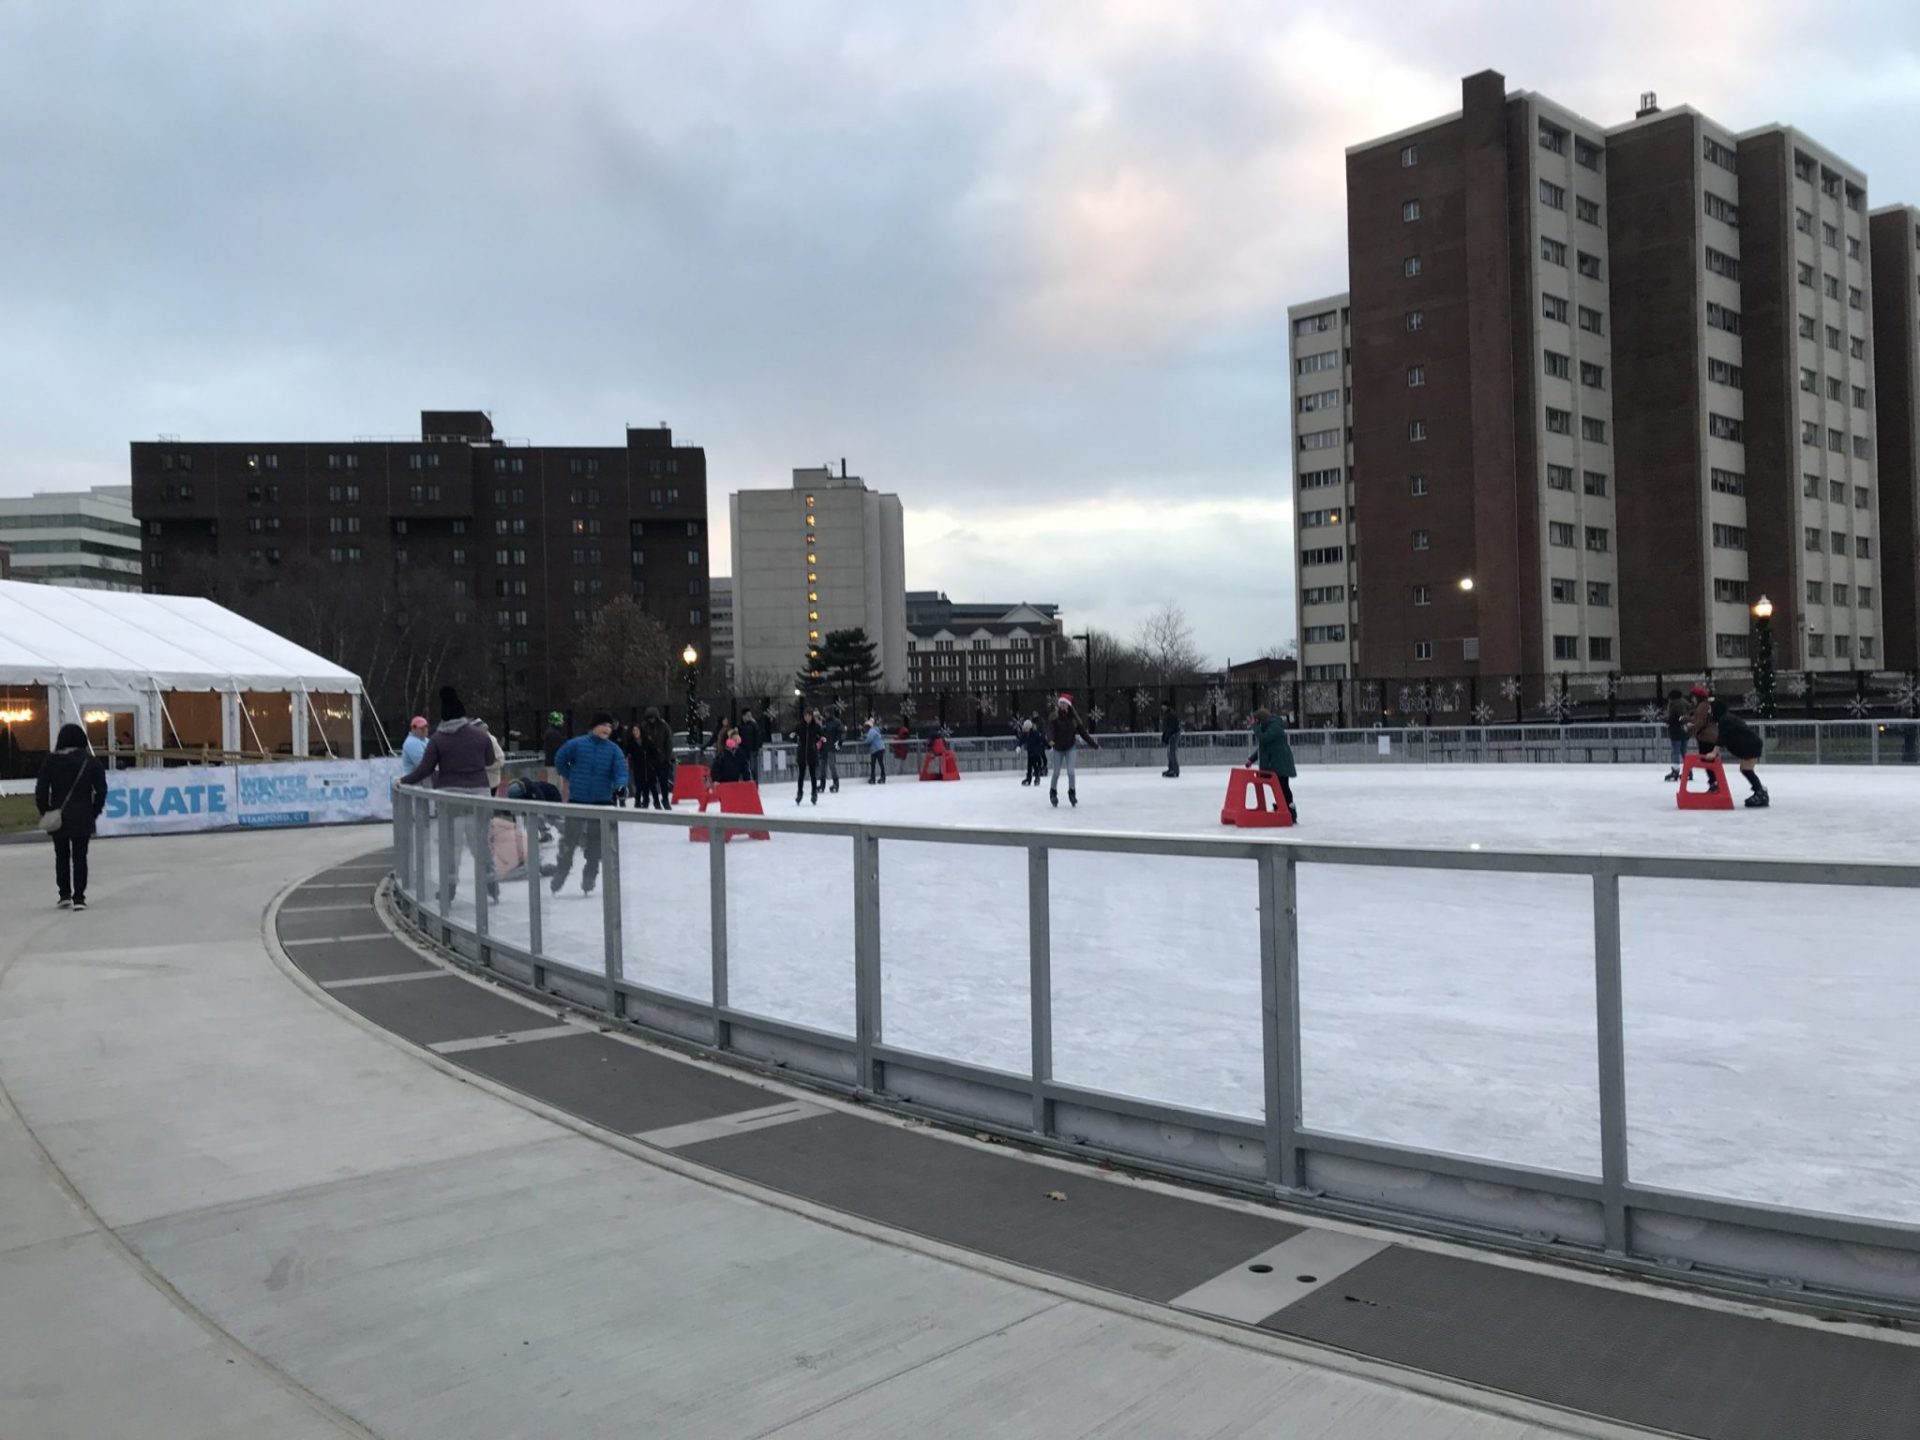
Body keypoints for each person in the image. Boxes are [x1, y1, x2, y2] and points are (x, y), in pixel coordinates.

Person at [400, 687, 503, 900]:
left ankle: (449, 887)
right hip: (479, 796)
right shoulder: (480, 736)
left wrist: (403, 780)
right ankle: (491, 883)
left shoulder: (438, 740)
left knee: (450, 845)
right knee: (481, 843)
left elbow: (425, 769)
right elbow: (490, 760)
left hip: (450, 798)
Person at [550, 712, 630, 895]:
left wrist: (620, 786)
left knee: (595, 842)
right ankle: (562, 870)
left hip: (601, 802)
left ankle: (590, 875)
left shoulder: (613, 750)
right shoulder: (577, 744)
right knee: (569, 839)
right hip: (578, 801)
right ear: (593, 727)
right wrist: (571, 776)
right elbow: (560, 759)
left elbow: (621, 771)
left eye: (610, 726)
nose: (607, 729)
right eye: (604, 725)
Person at [35, 722, 109, 911]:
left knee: (61, 855)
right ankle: (79, 898)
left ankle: (64, 894)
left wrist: (46, 811)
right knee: (80, 856)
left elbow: (41, 791)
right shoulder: (91, 762)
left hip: (58, 815)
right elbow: (101, 791)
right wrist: (94, 811)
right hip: (83, 814)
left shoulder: (50, 761)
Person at [1046, 693, 1099, 808]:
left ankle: (1072, 793)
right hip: (1058, 748)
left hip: (1070, 748)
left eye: (1064, 703)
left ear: (1068, 705)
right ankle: (1053, 792)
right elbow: (1050, 730)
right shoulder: (1054, 717)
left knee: (1071, 772)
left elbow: (1083, 733)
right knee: (1056, 772)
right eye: (1060, 703)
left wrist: (1094, 745)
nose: (1062, 705)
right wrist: (1050, 740)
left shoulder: (1074, 719)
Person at [1248, 707, 1299, 821]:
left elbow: (1264, 739)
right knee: (1279, 787)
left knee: (1283, 787)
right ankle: (1282, 807)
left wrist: (1255, 726)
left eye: (1256, 720)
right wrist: (1252, 759)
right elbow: (1264, 747)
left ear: (1261, 719)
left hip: (1281, 763)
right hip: (1275, 763)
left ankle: (1290, 811)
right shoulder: (1268, 727)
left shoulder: (1274, 726)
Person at [640, 707, 676, 809]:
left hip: (662, 759)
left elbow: (668, 742)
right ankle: (656, 800)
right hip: (650, 759)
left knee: (663, 781)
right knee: (651, 782)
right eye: (649, 718)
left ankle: (665, 799)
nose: (651, 720)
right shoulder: (644, 727)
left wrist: (667, 756)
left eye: (653, 718)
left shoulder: (663, 726)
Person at [792, 705, 826, 805]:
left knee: (813, 775)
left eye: (809, 716)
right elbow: (793, 735)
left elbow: (822, 736)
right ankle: (799, 793)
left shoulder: (816, 727)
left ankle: (814, 793)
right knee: (801, 776)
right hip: (802, 753)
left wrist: (821, 740)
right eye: (806, 716)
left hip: (812, 753)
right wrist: (793, 737)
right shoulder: (799, 726)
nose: (807, 718)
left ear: (812, 716)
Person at [1662, 689, 1689, 782]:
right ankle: (1688, 771)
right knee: (1684, 751)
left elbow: (1673, 718)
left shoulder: (1674, 705)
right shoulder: (1685, 703)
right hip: (1685, 730)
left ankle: (1675, 771)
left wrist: (1665, 720)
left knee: (1675, 751)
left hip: (1676, 731)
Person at [821, 709, 846, 793]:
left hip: (831, 746)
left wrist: (840, 742)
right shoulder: (824, 722)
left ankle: (836, 783)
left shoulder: (836, 722)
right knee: (822, 765)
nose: (826, 714)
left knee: (831, 765)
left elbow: (842, 732)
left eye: (827, 713)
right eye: (825, 713)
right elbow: (821, 733)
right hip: (824, 747)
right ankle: (822, 784)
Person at [1018, 719, 1047, 786]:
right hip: (1030, 752)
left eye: (1026, 727)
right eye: (1024, 727)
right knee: (1029, 766)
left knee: (1035, 765)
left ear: (1029, 727)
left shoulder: (1035, 733)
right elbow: (1021, 740)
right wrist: (1019, 746)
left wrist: (1048, 746)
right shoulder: (1025, 734)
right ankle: (1029, 779)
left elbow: (1042, 739)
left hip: (1036, 752)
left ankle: (1037, 778)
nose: (1024, 729)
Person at [738, 708, 763, 783]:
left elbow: (758, 737)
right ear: (743, 716)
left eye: (750, 715)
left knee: (753, 769)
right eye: (748, 715)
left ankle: (755, 784)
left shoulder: (754, 725)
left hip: (752, 751)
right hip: (742, 751)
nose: (750, 717)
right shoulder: (739, 726)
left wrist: (756, 748)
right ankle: (746, 783)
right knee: (744, 768)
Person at [1160, 703, 1182, 779]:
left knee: (1172, 752)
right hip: (1172, 734)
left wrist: (1167, 735)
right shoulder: (1167, 714)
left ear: (1167, 706)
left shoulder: (1171, 714)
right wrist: (1165, 735)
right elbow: (1166, 727)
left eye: (1163, 706)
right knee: (1170, 752)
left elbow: (1171, 727)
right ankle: (1171, 769)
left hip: (1173, 734)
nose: (1162, 708)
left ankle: (1175, 770)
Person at [864, 717, 887, 784]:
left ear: (868, 727)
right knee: (878, 763)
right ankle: (881, 777)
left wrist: (864, 740)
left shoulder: (871, 731)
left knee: (875, 764)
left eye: (866, 727)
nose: (865, 728)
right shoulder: (874, 731)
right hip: (878, 749)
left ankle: (874, 778)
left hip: (877, 749)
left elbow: (868, 740)